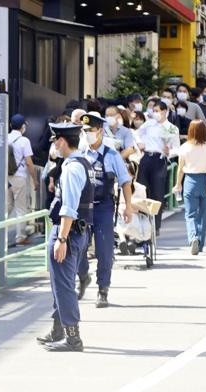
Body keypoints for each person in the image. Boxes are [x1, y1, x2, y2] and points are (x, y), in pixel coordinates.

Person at [37, 123, 93, 352]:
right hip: (78, 232)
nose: (53, 145)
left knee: (63, 285)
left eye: (54, 140)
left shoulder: (71, 168)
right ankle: (58, 329)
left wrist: (61, 239)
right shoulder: (83, 162)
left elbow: (69, 207)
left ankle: (72, 336)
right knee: (60, 283)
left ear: (61, 141)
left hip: (68, 232)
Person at [76, 113, 135, 308]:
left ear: (100, 131)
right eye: (84, 131)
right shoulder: (80, 153)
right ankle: (83, 276)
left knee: (104, 250)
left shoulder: (112, 155)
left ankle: (103, 289)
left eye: (90, 131)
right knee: (78, 248)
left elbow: (125, 182)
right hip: (82, 208)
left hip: (104, 207)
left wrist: (128, 206)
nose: (87, 135)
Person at [173, 120, 206, 255]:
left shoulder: (185, 147)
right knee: (203, 214)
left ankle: (193, 237)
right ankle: (200, 243)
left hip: (190, 181)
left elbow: (180, 169)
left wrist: (178, 184)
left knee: (190, 214)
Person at [134, 101, 180, 237]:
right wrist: (139, 143)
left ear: (165, 111)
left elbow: (176, 148)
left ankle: (156, 225)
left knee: (157, 193)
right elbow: (137, 133)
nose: (155, 113)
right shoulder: (149, 124)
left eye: (158, 110)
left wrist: (169, 152)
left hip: (160, 159)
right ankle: (142, 223)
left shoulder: (172, 128)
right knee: (142, 190)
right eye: (154, 110)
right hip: (146, 157)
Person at [8, 114, 39, 245]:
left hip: (5, 177)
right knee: (21, 208)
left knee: (6, 207)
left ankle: (1, 237)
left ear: (10, 125)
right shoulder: (24, 141)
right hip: (19, 177)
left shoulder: (5, 138)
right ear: (23, 127)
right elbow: (29, 163)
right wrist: (34, 179)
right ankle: (20, 237)